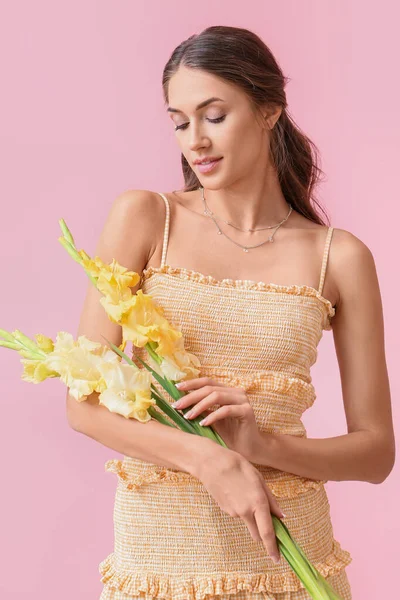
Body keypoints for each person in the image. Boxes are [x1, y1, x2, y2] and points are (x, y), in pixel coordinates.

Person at [66, 25, 395, 600]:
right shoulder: (145, 219)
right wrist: (208, 460)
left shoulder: (337, 257)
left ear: (269, 110)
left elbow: (375, 453)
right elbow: (83, 404)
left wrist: (259, 446)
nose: (194, 140)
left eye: (214, 115)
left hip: (293, 566)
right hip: (162, 562)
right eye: (178, 121)